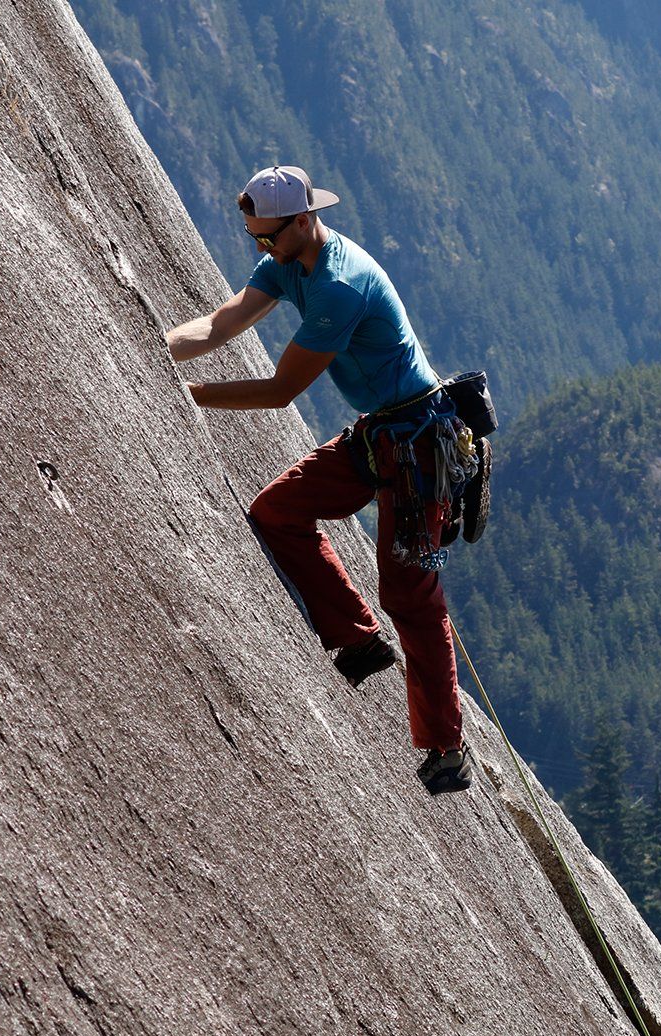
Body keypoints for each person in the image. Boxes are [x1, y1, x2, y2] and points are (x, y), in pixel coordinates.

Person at [165, 165, 480, 795]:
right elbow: (223, 323)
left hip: (418, 449)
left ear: (303, 222)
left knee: (410, 597)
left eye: (266, 238)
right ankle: (357, 640)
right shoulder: (287, 259)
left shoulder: (339, 285)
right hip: (381, 435)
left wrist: (186, 395)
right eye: (254, 239)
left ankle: (447, 747)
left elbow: (282, 391)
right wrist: (153, 350)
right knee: (278, 511)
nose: (259, 249)